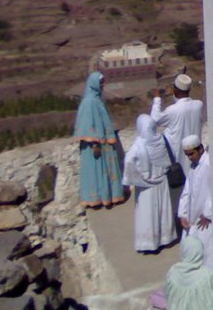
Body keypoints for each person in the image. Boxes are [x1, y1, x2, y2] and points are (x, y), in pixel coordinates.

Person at [123, 114, 177, 253]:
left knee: (147, 213)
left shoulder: (139, 144)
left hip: (146, 186)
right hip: (162, 181)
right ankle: (165, 238)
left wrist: (137, 176)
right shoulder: (161, 140)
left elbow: (129, 160)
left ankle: (149, 243)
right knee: (162, 211)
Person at [73, 71, 125, 208]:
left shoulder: (96, 99)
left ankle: (108, 197)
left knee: (105, 172)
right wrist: (95, 143)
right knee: (96, 172)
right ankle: (98, 199)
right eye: (100, 83)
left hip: (104, 143)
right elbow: (89, 123)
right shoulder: (89, 102)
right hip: (95, 145)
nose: (102, 85)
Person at [151, 74, 204, 178]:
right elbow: (183, 104)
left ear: (176, 90)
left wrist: (157, 99)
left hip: (178, 158)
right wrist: (175, 93)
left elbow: (155, 119)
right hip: (194, 156)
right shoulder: (198, 105)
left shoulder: (173, 110)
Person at [178, 134, 213, 267]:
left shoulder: (209, 164)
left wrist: (208, 214)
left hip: (205, 220)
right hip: (192, 217)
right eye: (187, 155)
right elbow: (187, 190)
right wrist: (183, 213)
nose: (189, 157)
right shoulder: (193, 166)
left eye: (191, 154)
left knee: (206, 252)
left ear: (200, 149)